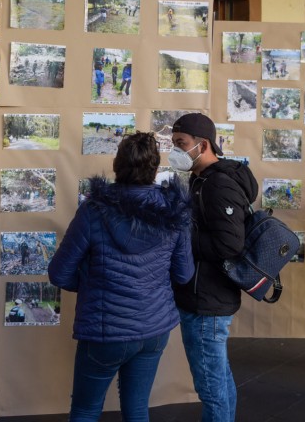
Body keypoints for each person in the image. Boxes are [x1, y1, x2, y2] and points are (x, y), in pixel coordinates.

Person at [48, 132, 194, 421]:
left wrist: (93, 285)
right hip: (154, 329)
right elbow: (184, 273)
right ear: (154, 169)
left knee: (86, 410)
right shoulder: (173, 211)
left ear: (116, 165)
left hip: (106, 331)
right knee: (137, 409)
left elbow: (59, 273)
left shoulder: (94, 211)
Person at [170, 113, 258, 422]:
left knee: (210, 386)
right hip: (203, 294)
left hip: (207, 299)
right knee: (217, 379)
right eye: (174, 144)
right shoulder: (201, 178)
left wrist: (181, 238)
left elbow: (229, 244)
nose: (176, 151)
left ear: (203, 144)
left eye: (181, 144)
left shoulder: (219, 184)